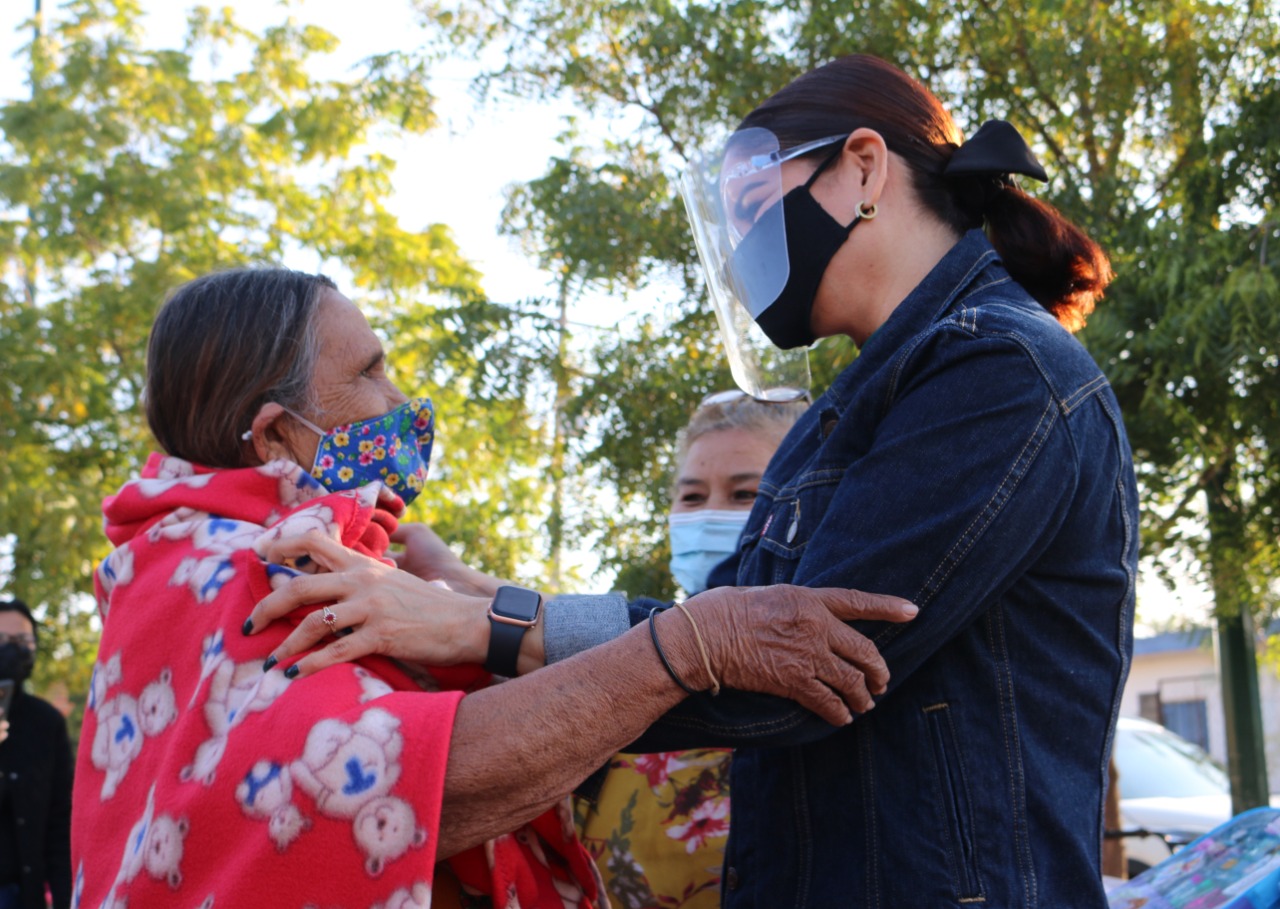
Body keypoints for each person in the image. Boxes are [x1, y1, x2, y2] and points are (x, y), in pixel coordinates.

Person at [250, 53, 1139, 908]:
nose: (745, 248)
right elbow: (716, 632)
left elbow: (787, 666)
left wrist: (483, 626)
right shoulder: (848, 410)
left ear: (865, 168)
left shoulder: (998, 372)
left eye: (754, 208)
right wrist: (475, 610)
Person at [71, 267, 915, 909]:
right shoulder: (245, 568)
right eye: (370, 372)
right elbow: (399, 782)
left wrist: (467, 598)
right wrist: (684, 648)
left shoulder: (227, 560)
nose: (400, 400)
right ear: (275, 436)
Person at [574, 392, 806, 908]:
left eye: (745, 494)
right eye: (693, 497)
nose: (710, 514)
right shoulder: (610, 661)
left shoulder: (830, 675)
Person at [0, 599, 72, 909]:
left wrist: (65, 898)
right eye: (2, 640)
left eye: (22, 640)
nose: (12, 649)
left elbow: (61, 820)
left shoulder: (46, 722)